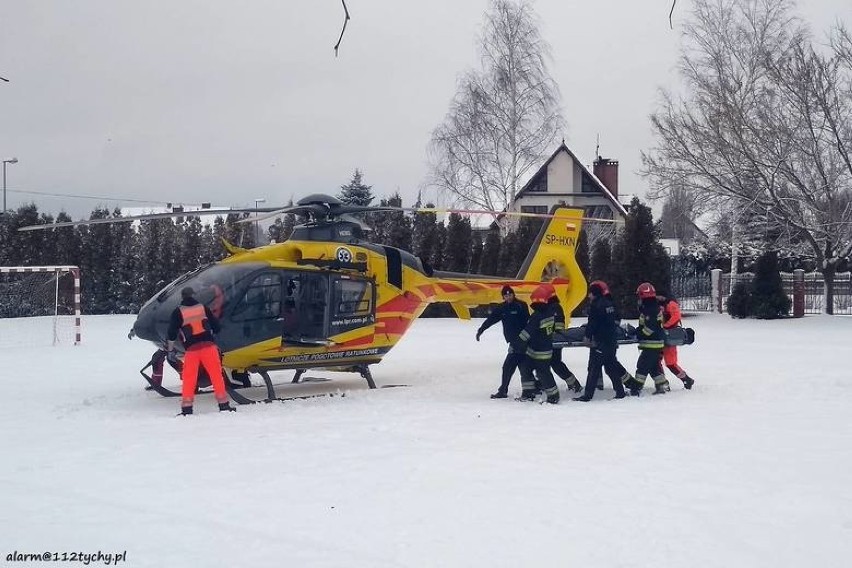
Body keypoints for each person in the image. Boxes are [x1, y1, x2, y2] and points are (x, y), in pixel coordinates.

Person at [167, 286, 236, 415]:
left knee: (189, 378)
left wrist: (170, 350)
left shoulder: (178, 312)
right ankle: (224, 405)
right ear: (193, 295)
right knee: (216, 375)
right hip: (209, 347)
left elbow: (171, 333)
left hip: (192, 350)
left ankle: (187, 409)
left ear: (182, 297)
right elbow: (216, 327)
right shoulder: (203, 308)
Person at [573, 280, 631, 401]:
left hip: (600, 342)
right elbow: (614, 320)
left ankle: (587, 396)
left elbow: (593, 323)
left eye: (590, 293)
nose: (589, 296)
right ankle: (620, 392)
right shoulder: (609, 304)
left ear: (594, 293)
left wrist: (587, 336)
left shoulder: (596, 305)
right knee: (611, 367)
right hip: (611, 341)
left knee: (594, 369)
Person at [476, 285, 529, 399]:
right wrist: (481, 329)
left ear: (514, 295)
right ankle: (529, 390)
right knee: (518, 366)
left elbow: (528, 323)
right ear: (503, 297)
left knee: (511, 366)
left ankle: (507, 391)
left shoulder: (521, 305)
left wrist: (524, 339)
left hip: (523, 342)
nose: (508, 297)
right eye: (506, 295)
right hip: (513, 342)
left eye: (510, 295)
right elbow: (491, 319)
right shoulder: (502, 308)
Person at [513, 284, 560, 404]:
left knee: (542, 373)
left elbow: (528, 332)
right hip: (544, 349)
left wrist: (517, 343)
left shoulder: (537, 316)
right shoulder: (549, 313)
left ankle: (553, 396)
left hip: (538, 351)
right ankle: (529, 392)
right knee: (528, 369)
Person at [625, 282, 669, 396]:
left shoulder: (650, 309)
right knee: (653, 367)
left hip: (652, 344)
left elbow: (650, 327)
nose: (638, 298)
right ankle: (662, 384)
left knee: (642, 366)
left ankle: (636, 389)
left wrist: (640, 334)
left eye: (639, 295)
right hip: (654, 343)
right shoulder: (651, 307)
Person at [657, 290, 695, 390]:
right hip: (665, 336)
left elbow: (676, 316)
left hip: (670, 336)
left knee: (670, 363)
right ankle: (664, 383)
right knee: (658, 361)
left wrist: (665, 326)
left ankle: (686, 379)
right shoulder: (664, 303)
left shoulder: (670, 303)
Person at [547, 293, 583, 393]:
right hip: (553, 339)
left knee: (554, 363)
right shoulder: (551, 306)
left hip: (555, 340)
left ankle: (574, 384)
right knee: (554, 363)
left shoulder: (554, 307)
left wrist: (553, 335)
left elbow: (558, 325)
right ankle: (573, 383)